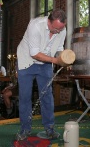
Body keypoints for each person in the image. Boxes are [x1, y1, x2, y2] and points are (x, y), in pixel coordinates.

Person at [16, 9, 67, 140]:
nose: (58, 32)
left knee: (47, 96)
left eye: (61, 29)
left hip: (45, 63)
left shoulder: (62, 29)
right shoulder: (35, 26)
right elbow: (35, 54)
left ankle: (50, 129)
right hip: (26, 61)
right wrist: (56, 61)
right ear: (49, 22)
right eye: (56, 29)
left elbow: (59, 49)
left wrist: (65, 58)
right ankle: (25, 129)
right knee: (25, 97)